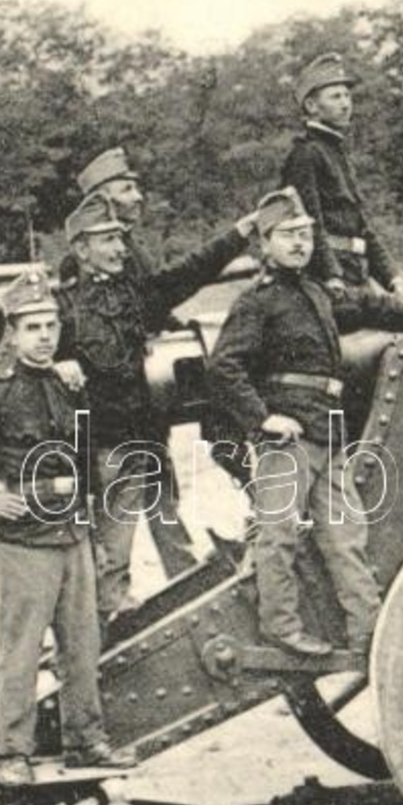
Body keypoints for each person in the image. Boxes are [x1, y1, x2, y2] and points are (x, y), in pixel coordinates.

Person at [207, 187, 403, 658]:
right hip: (288, 435)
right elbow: (222, 367)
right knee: (278, 534)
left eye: (305, 235)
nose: (299, 244)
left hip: (326, 433)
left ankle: (367, 633)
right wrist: (263, 418)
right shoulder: (259, 301)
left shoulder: (315, 293)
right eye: (287, 235)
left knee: (347, 535)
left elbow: (370, 306)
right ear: (266, 244)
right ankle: (281, 627)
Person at [0, 273, 133, 781]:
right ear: (11, 334)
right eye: (32, 326)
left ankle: (87, 741)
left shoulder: (68, 385)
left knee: (83, 648)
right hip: (26, 542)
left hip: (73, 538)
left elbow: (85, 464)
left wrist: (97, 535)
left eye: (51, 324)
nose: (44, 335)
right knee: (19, 650)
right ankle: (11, 752)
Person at [59, 191, 260, 622]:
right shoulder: (61, 311)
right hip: (97, 448)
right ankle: (95, 632)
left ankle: (126, 609)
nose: (118, 248)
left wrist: (240, 234)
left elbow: (188, 274)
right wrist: (60, 365)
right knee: (99, 553)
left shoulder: (133, 296)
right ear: (81, 250)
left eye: (119, 238)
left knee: (122, 548)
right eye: (106, 240)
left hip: (139, 440)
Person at [280, 52, 403, 303]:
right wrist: (332, 275)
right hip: (328, 282)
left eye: (347, 96)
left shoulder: (336, 152)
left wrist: (393, 279)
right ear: (311, 106)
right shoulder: (306, 154)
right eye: (336, 96)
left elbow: (362, 227)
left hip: (355, 272)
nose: (345, 103)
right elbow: (308, 222)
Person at [58, 147, 155, 283]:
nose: (138, 197)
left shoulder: (135, 248)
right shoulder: (83, 259)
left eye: (136, 188)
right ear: (103, 199)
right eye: (126, 189)